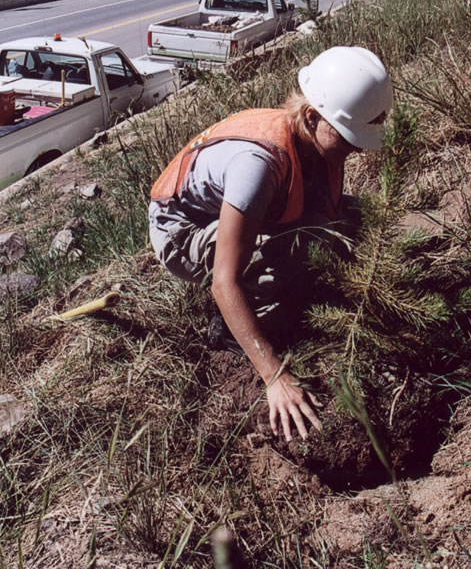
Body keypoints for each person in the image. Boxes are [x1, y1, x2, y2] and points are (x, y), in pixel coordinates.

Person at [148, 46, 393, 442]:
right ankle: (229, 333)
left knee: (349, 221)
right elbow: (223, 280)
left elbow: (331, 211)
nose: (358, 148)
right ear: (312, 117)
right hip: (181, 229)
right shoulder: (257, 165)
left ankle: (290, 289)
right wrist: (274, 374)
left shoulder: (318, 137)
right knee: (288, 249)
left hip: (237, 206)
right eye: (350, 137)